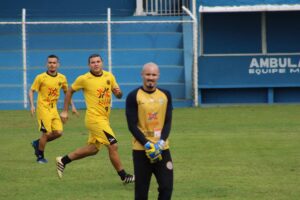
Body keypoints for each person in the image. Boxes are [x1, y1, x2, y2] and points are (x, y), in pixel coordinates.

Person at [57, 54, 134, 184]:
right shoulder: (84, 79)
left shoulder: (109, 76)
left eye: (98, 61)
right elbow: (69, 91)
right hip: (94, 119)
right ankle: (124, 176)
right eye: (93, 62)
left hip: (104, 119)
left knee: (93, 149)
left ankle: (63, 161)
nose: (96, 64)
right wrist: (65, 111)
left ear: (102, 63)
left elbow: (119, 94)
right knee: (112, 145)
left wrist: (118, 93)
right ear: (89, 65)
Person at [125, 62, 173, 200]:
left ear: (158, 76)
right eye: (147, 74)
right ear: (142, 75)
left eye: (153, 75)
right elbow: (132, 125)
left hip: (162, 148)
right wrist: (147, 144)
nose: (150, 77)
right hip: (141, 149)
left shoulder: (166, 95)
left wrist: (161, 142)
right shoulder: (133, 96)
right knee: (141, 191)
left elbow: (168, 121)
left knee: (166, 187)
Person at [29, 54, 78, 164]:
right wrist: (32, 105)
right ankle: (40, 156)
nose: (52, 65)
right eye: (50, 62)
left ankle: (38, 143)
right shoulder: (40, 77)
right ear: (47, 64)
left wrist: (72, 106)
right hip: (43, 108)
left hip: (54, 109)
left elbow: (67, 92)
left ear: (58, 64)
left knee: (59, 132)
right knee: (46, 133)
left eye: (54, 63)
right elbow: (31, 90)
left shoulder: (62, 78)